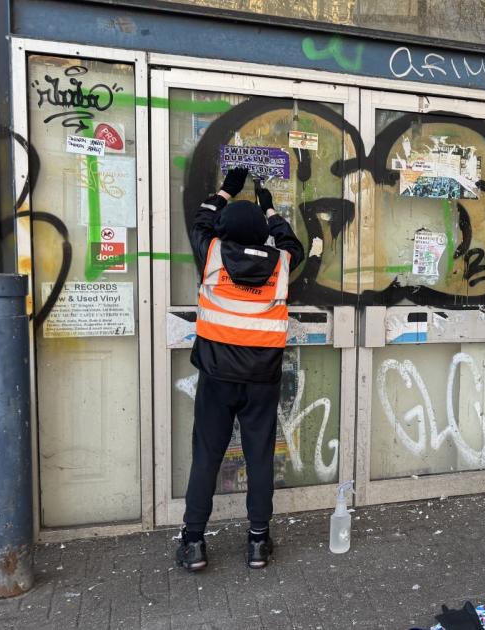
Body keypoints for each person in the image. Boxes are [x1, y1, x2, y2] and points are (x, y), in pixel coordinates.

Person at [176, 166, 303, 571]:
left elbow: (200, 220)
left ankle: (194, 543)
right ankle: (258, 544)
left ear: (224, 230)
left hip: (216, 378)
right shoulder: (282, 263)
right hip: (262, 381)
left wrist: (226, 191)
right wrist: (269, 210)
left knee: (207, 457)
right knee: (260, 457)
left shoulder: (212, 254)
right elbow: (291, 241)